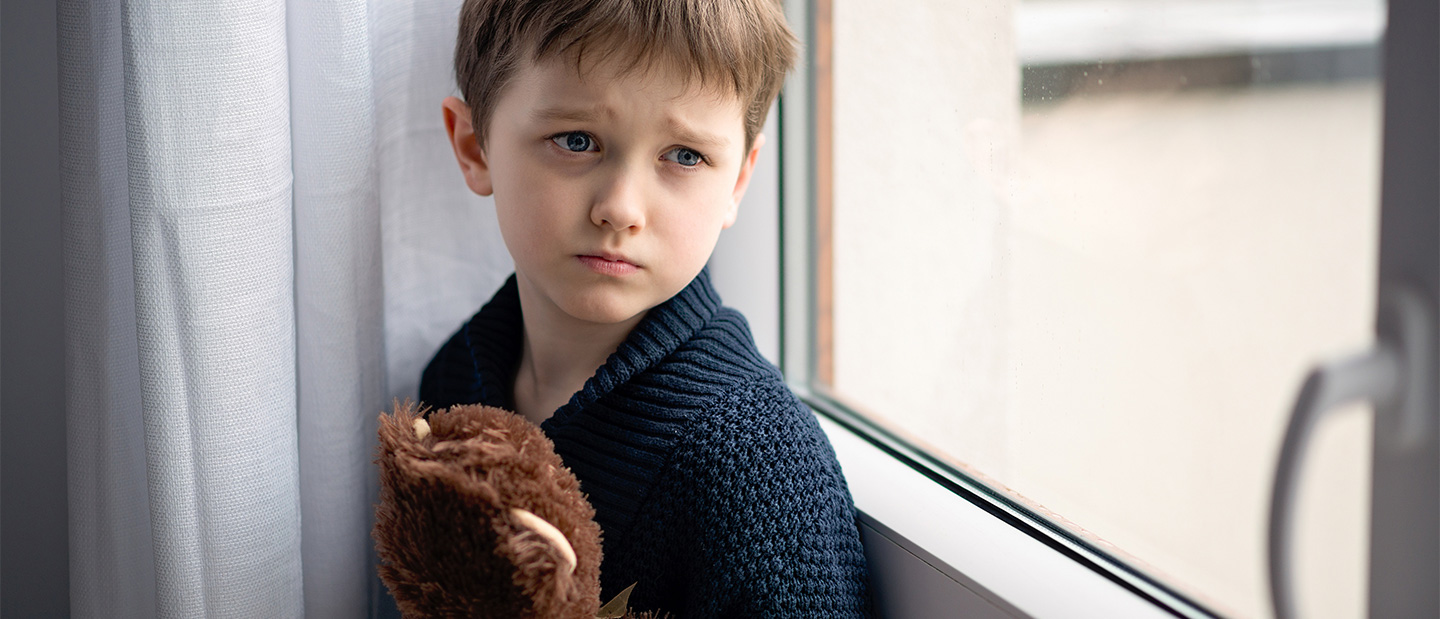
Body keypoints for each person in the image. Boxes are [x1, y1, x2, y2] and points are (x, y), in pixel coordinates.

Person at [420, 0, 872, 615]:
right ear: (475, 147)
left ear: (738, 180)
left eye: (684, 156)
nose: (622, 208)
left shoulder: (758, 468)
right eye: (577, 141)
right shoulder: (452, 385)